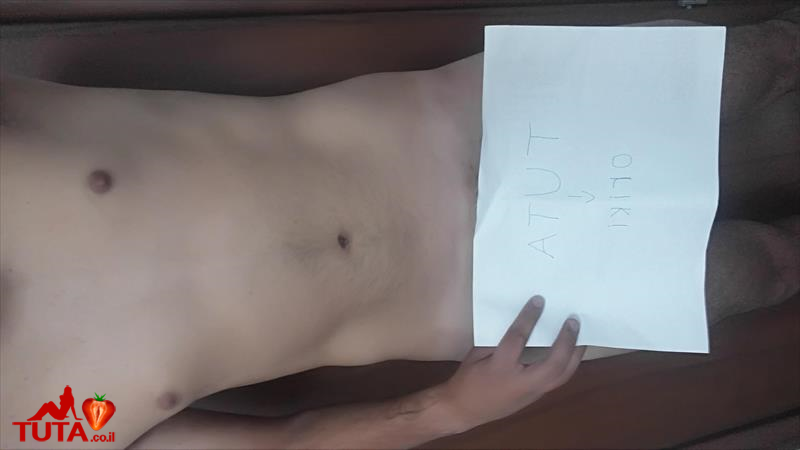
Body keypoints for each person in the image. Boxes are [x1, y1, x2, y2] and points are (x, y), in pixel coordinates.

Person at [0, 14, 798, 449]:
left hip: (460, 122)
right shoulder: (41, 425)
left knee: (763, 61)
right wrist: (452, 411)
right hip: (489, 299)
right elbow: (285, 449)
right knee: (761, 270)